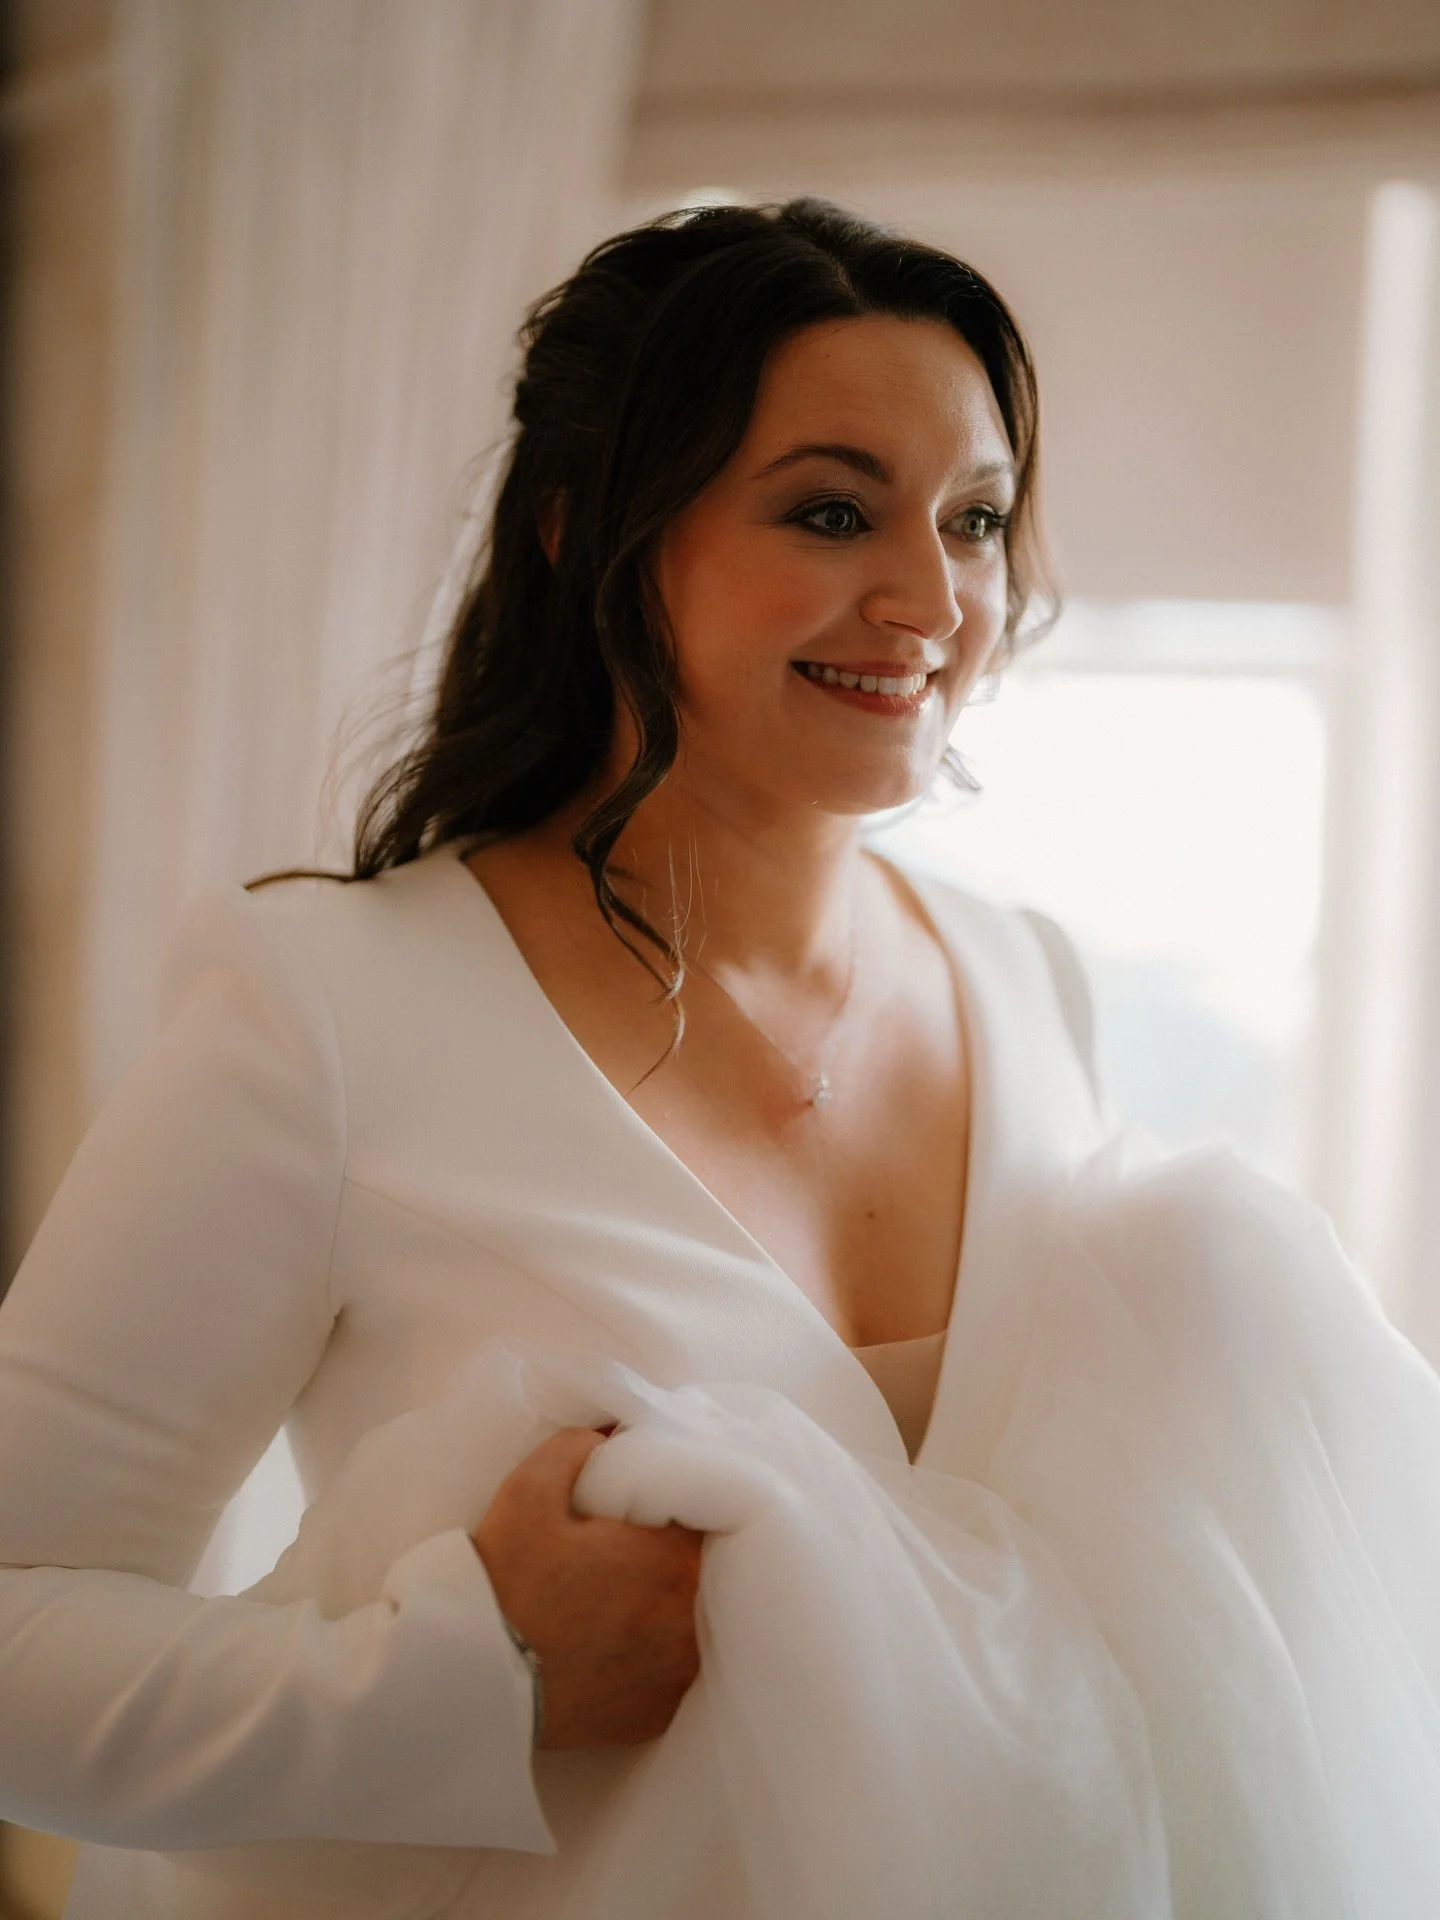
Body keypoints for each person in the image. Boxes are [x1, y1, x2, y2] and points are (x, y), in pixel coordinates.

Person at [2, 199, 1438, 1920]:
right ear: (580, 532)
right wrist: (479, 1680)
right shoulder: (319, 1009)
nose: (932, 598)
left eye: (974, 521)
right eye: (832, 511)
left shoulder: (1027, 980)